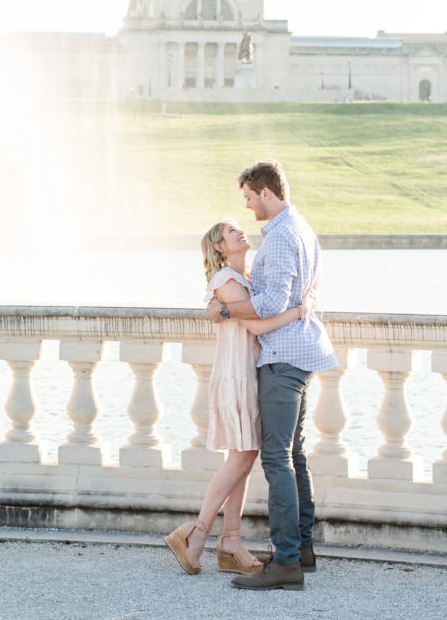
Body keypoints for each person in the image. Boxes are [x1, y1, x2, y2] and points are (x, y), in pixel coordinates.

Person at [206, 160, 338, 592]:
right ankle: (300, 550)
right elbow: (290, 298)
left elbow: (268, 304)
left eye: (248, 197)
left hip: (283, 358)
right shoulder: (301, 228)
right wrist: (300, 308)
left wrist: (224, 310)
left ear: (265, 193)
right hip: (299, 353)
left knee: (277, 459)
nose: (247, 207)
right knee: (294, 455)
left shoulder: (281, 237)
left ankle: (285, 563)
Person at [164, 218, 315, 577]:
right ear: (219, 247)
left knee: (245, 459)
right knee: (240, 459)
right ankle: (197, 535)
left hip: (249, 373)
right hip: (237, 376)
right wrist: (300, 310)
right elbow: (259, 324)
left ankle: (231, 540)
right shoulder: (226, 282)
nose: (240, 232)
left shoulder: (242, 280)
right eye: (231, 232)